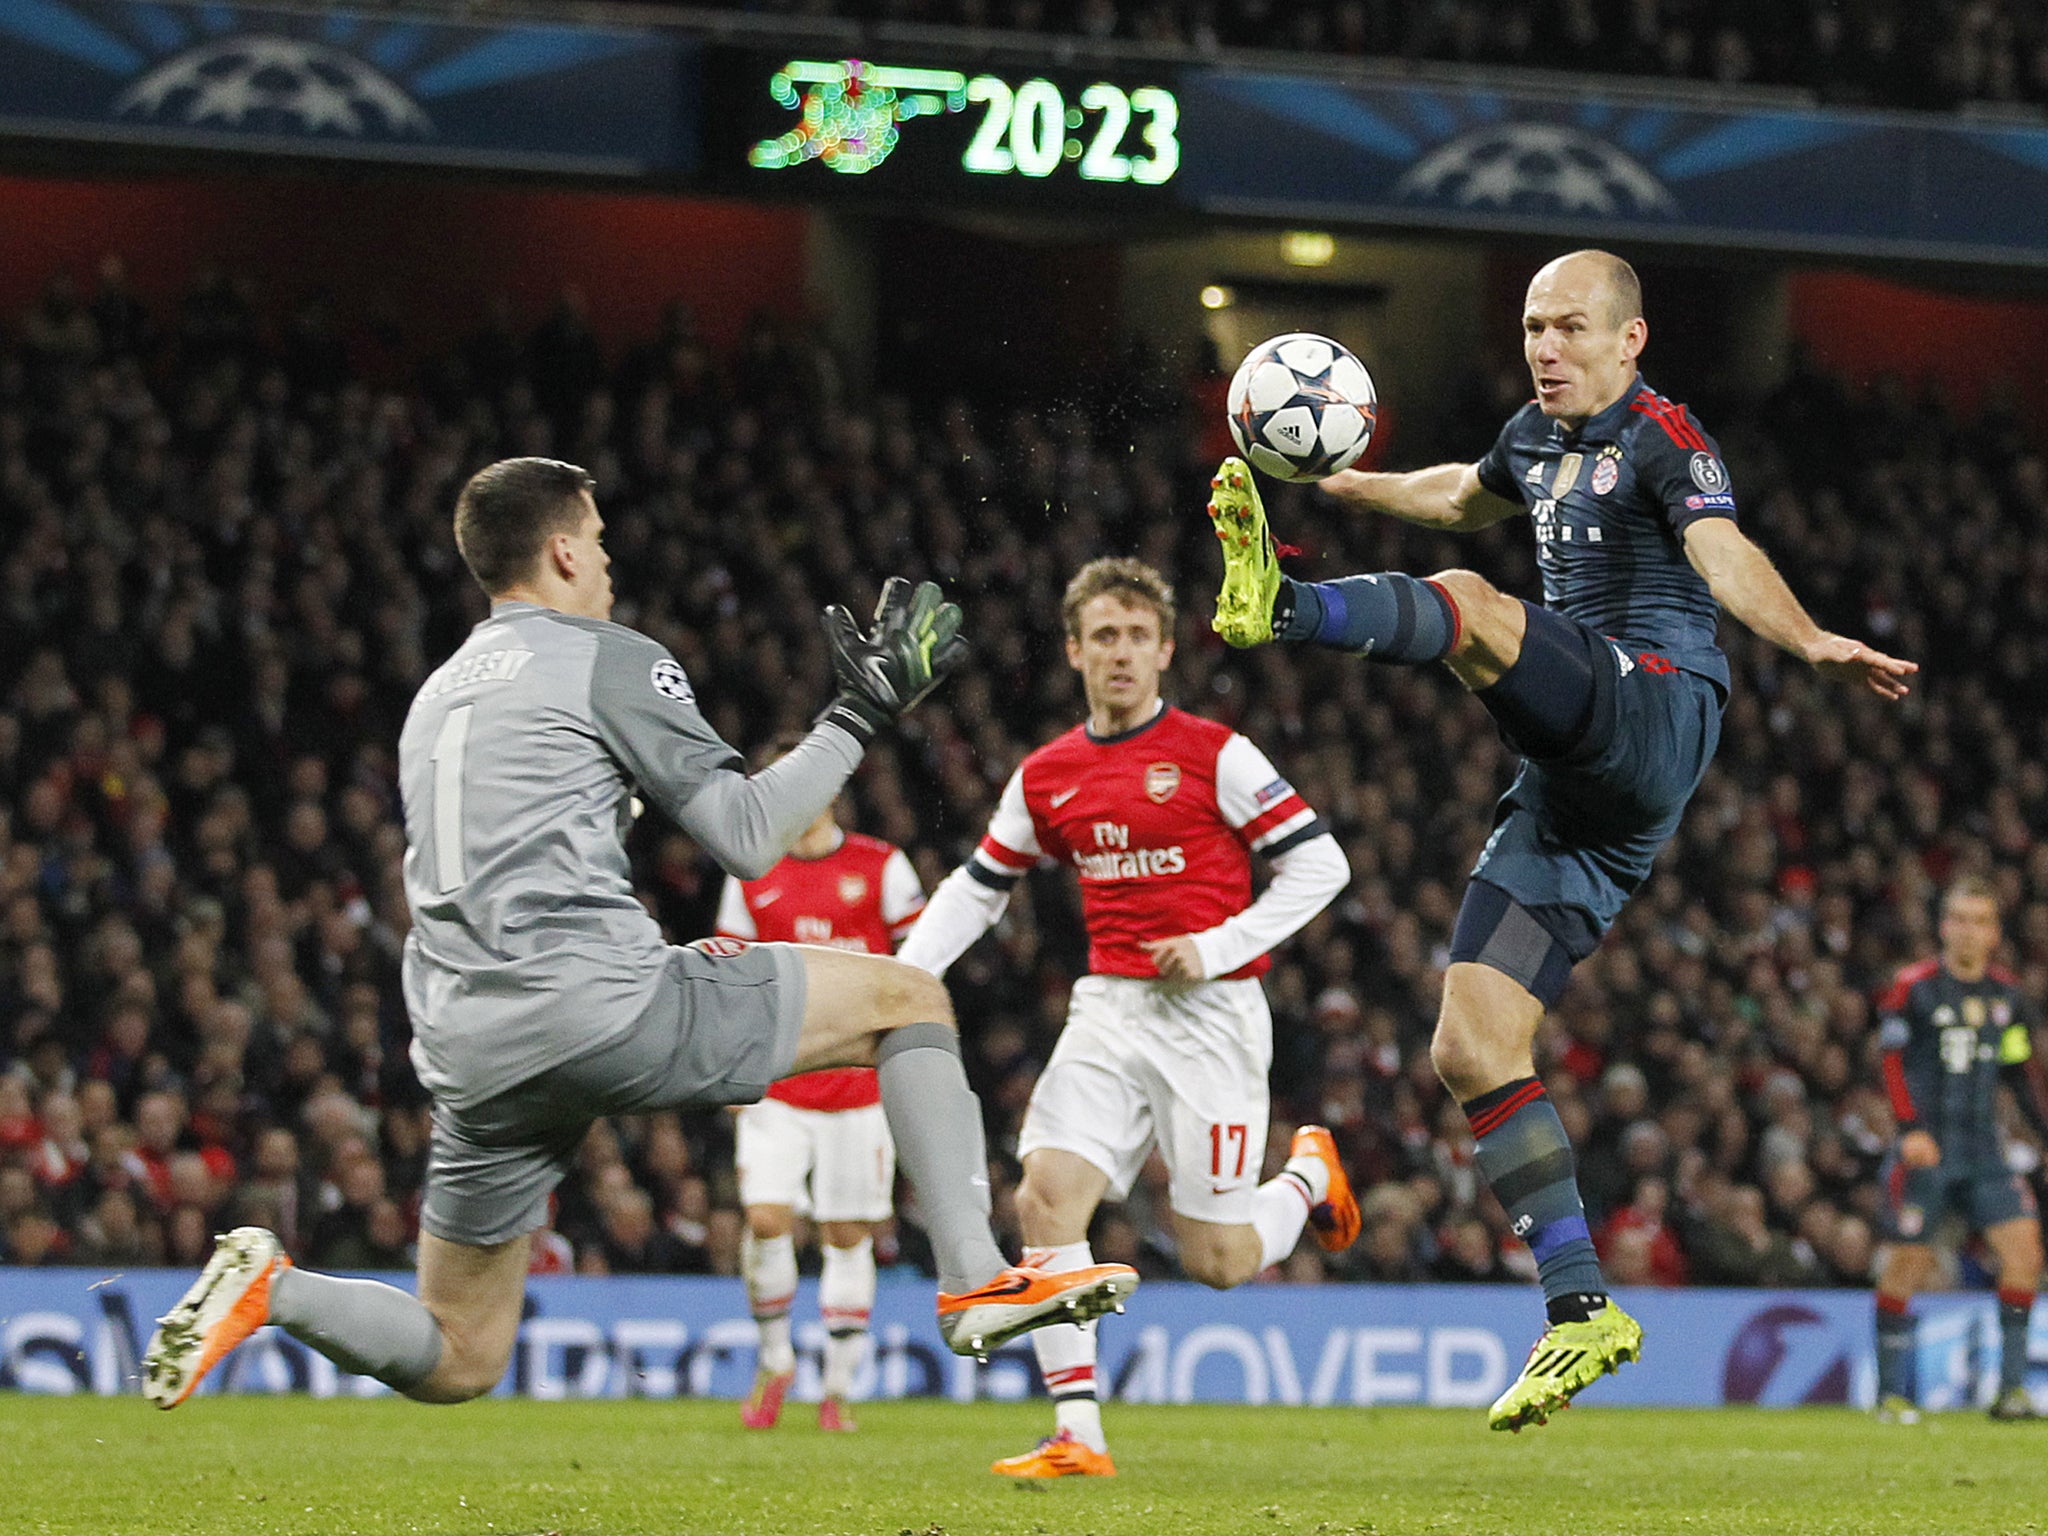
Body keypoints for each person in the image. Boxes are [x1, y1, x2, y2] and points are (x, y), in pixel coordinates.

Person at [141, 456, 1136, 1409]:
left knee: (458, 1351)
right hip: (591, 1006)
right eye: (601, 540)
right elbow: (746, 838)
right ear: (565, 551)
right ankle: (971, 1277)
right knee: (905, 997)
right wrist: (860, 708)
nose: (611, 564)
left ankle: (274, 1288)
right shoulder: (603, 657)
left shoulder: (434, 696)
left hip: (464, 1046)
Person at [1207, 249, 1916, 1431]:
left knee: (1472, 608)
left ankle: (1281, 608)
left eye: (1570, 328)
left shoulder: (1662, 437)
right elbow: (1458, 494)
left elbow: (1718, 552)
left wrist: (1805, 641)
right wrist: (1345, 486)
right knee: (1470, 1044)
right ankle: (1583, 1310)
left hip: (1654, 705)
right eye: (1534, 325)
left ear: (1627, 340)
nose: (1545, 346)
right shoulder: (1532, 436)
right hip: (1576, 776)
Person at [899, 556, 1355, 1477]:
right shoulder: (1048, 775)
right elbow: (981, 887)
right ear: (1074, 650)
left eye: (1136, 636)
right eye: (1103, 636)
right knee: (1045, 1195)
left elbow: (1321, 866)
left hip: (1213, 1014)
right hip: (1108, 1007)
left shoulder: (1216, 755)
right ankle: (1079, 1435)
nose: (1120, 653)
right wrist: (903, 976)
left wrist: (1220, 945)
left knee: (1221, 1262)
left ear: (1164, 650)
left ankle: (1306, 1177)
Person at [717, 746, 926, 1433]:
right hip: (777, 1082)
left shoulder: (881, 866)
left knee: (845, 1233)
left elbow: (920, 964)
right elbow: (730, 979)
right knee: (768, 1219)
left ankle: (836, 1389)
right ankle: (776, 1359)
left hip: (859, 1089)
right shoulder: (752, 874)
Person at [1872, 876, 2048, 1423]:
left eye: (1979, 921)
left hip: (1984, 1153)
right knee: (1910, 1264)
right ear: (1943, 926)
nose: (1968, 932)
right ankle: (1889, 1395)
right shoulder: (1914, 987)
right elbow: (1892, 1063)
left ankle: (2012, 1393)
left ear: (1994, 933)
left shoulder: (2008, 997)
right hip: (1928, 1149)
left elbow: (2020, 1072)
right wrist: (1908, 1130)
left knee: (2024, 1254)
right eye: (1958, 919)